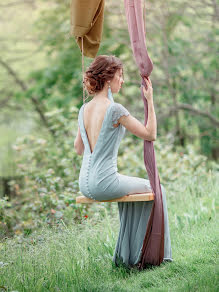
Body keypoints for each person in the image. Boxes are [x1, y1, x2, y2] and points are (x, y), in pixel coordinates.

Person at [74, 55, 172, 268]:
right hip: (105, 183)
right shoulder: (115, 109)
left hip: (84, 183)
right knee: (158, 189)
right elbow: (150, 134)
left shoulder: (84, 109)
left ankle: (129, 256)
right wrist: (150, 100)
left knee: (138, 193)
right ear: (108, 79)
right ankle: (155, 257)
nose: (123, 80)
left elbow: (79, 148)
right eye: (120, 75)